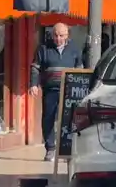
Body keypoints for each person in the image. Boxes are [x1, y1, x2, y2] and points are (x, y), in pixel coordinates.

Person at [29, 23, 84, 161]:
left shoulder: (74, 49)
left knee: (69, 119)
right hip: (50, 89)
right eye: (56, 35)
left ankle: (68, 149)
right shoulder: (43, 48)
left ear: (67, 36)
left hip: (69, 90)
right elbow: (35, 67)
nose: (58, 38)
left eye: (61, 35)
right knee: (48, 118)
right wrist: (34, 84)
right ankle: (50, 149)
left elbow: (79, 68)